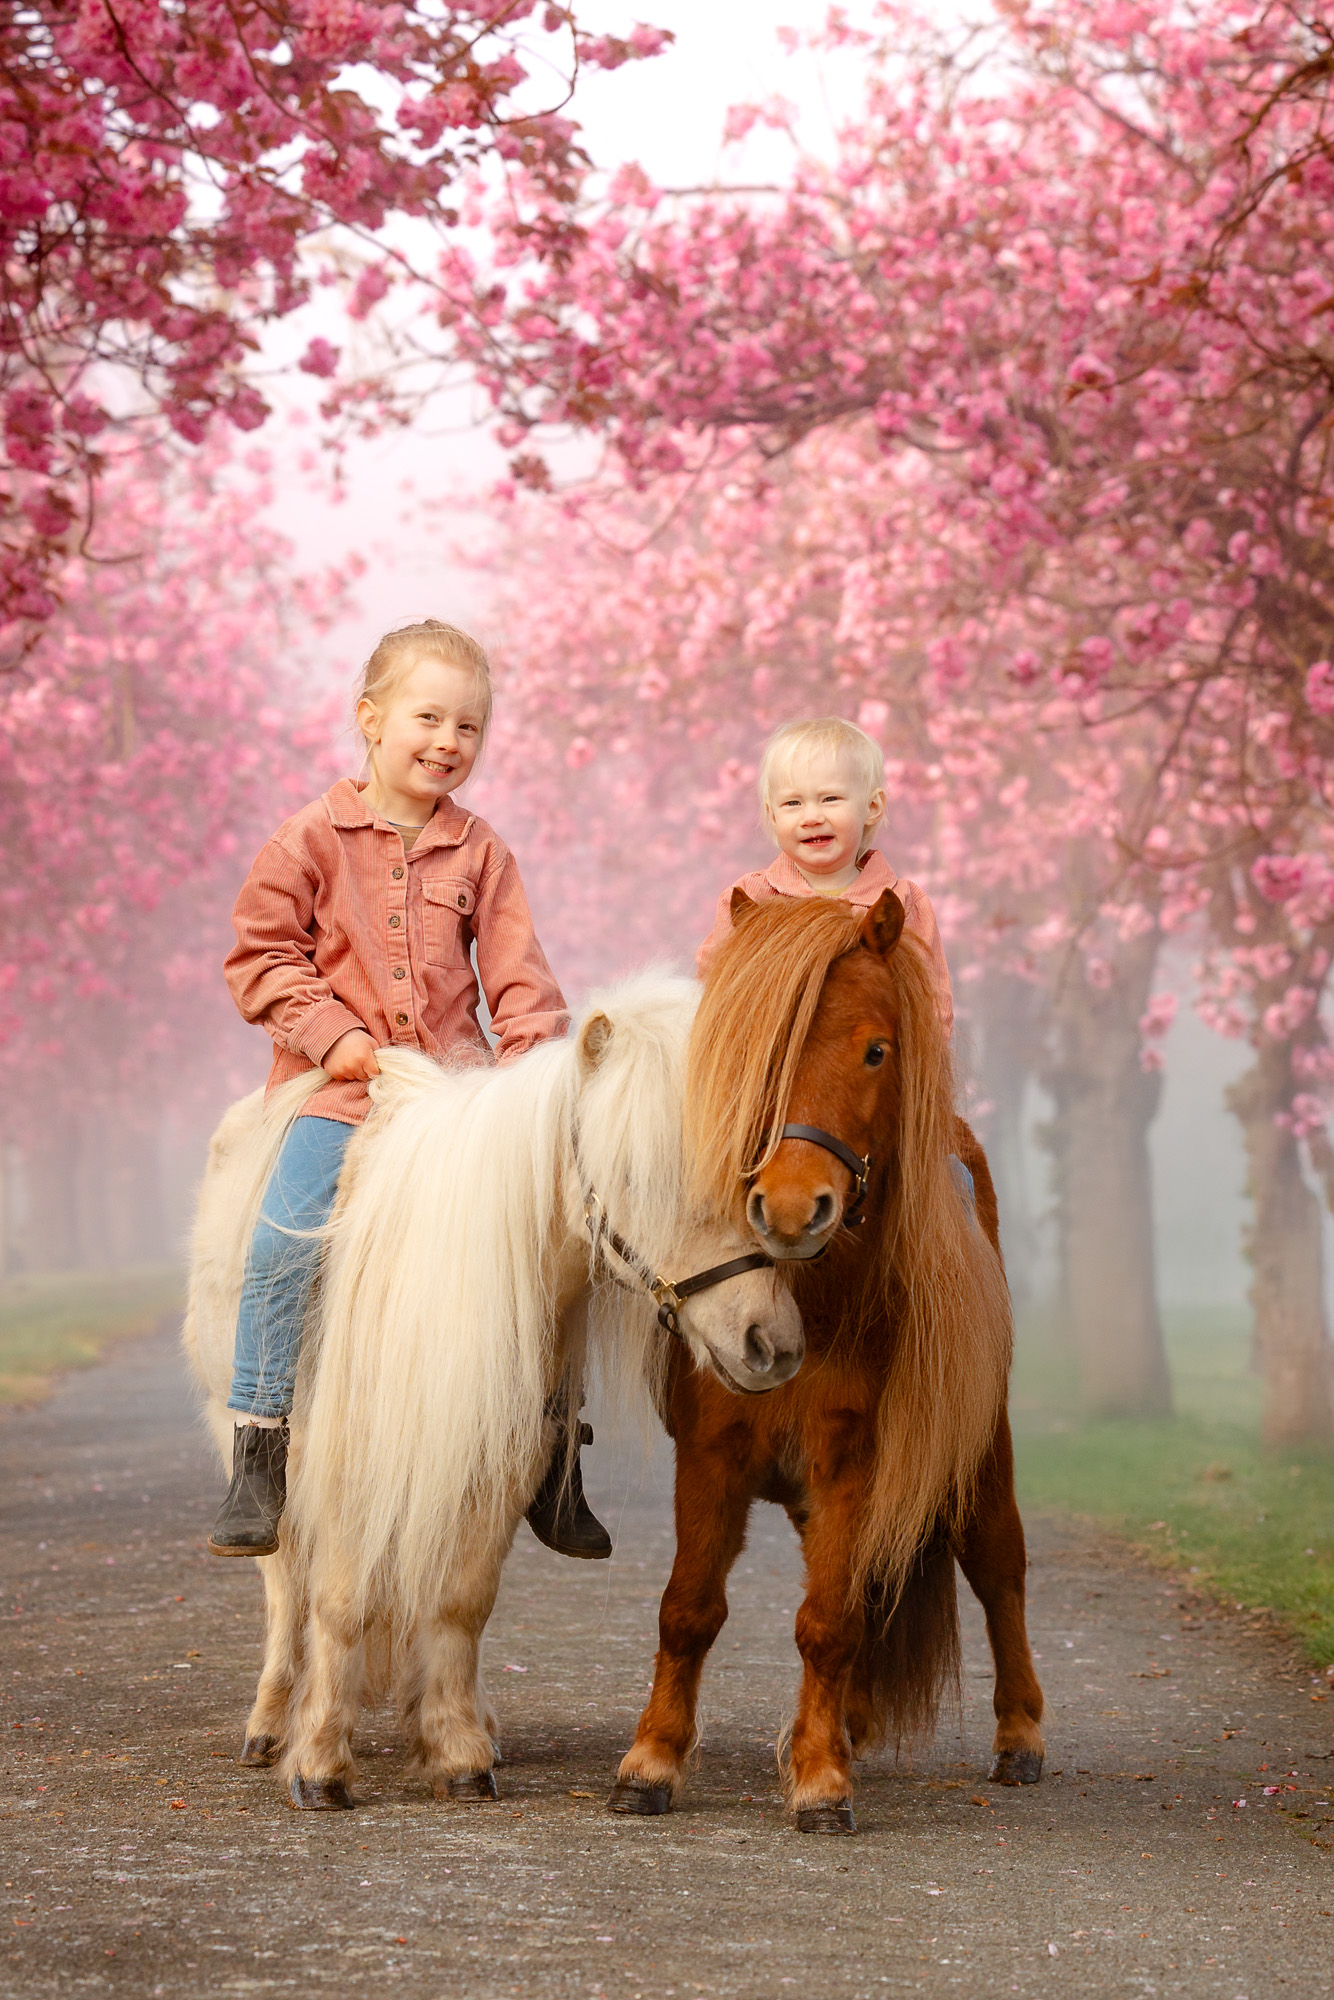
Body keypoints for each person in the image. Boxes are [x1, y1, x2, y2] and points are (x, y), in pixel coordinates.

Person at [208, 618, 612, 1562]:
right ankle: (261, 1447)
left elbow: (520, 980)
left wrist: (533, 1081)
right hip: (342, 1091)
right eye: (428, 718)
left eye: (469, 728)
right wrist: (330, 1035)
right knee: (281, 1242)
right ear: (370, 719)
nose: (448, 742)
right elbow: (260, 957)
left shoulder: (482, 853)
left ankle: (555, 1450)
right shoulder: (308, 839)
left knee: (560, 1244)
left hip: (455, 1097)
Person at [698, 715, 954, 1031]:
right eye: (792, 803)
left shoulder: (904, 904)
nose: (811, 817)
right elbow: (713, 991)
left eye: (830, 799)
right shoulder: (752, 899)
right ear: (772, 815)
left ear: (872, 807)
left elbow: (931, 1009)